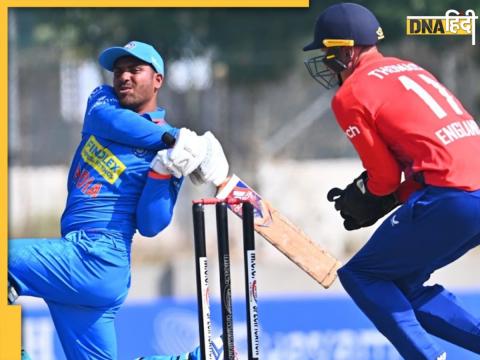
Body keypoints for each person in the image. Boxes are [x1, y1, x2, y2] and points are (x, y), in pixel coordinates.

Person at [8, 40, 229, 360]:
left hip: (99, 257)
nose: (124, 77)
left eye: (135, 70)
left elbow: (151, 224)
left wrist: (161, 172)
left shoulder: (173, 154)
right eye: (119, 71)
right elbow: (115, 125)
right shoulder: (103, 104)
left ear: (158, 80)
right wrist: (175, 138)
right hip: (81, 260)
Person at [303, 3, 480, 359]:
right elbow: (435, 157)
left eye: (327, 55)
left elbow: (383, 178)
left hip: (453, 197)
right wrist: (391, 195)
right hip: (465, 189)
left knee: (362, 275)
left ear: (346, 52)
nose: (326, 64)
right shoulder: (410, 68)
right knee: (403, 284)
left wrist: (371, 193)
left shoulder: (350, 94)